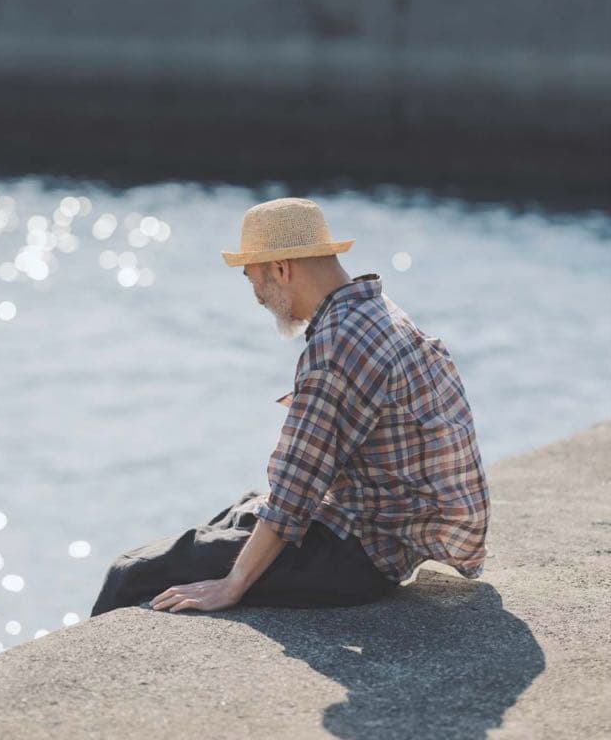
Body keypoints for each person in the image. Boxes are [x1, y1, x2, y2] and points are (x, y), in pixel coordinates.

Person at [90, 197, 490, 617]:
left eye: (252, 280)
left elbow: (293, 493)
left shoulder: (338, 347)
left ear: (282, 269)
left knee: (130, 572)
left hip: (359, 553)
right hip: (385, 531)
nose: (257, 297)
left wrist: (233, 584)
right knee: (237, 512)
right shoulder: (378, 313)